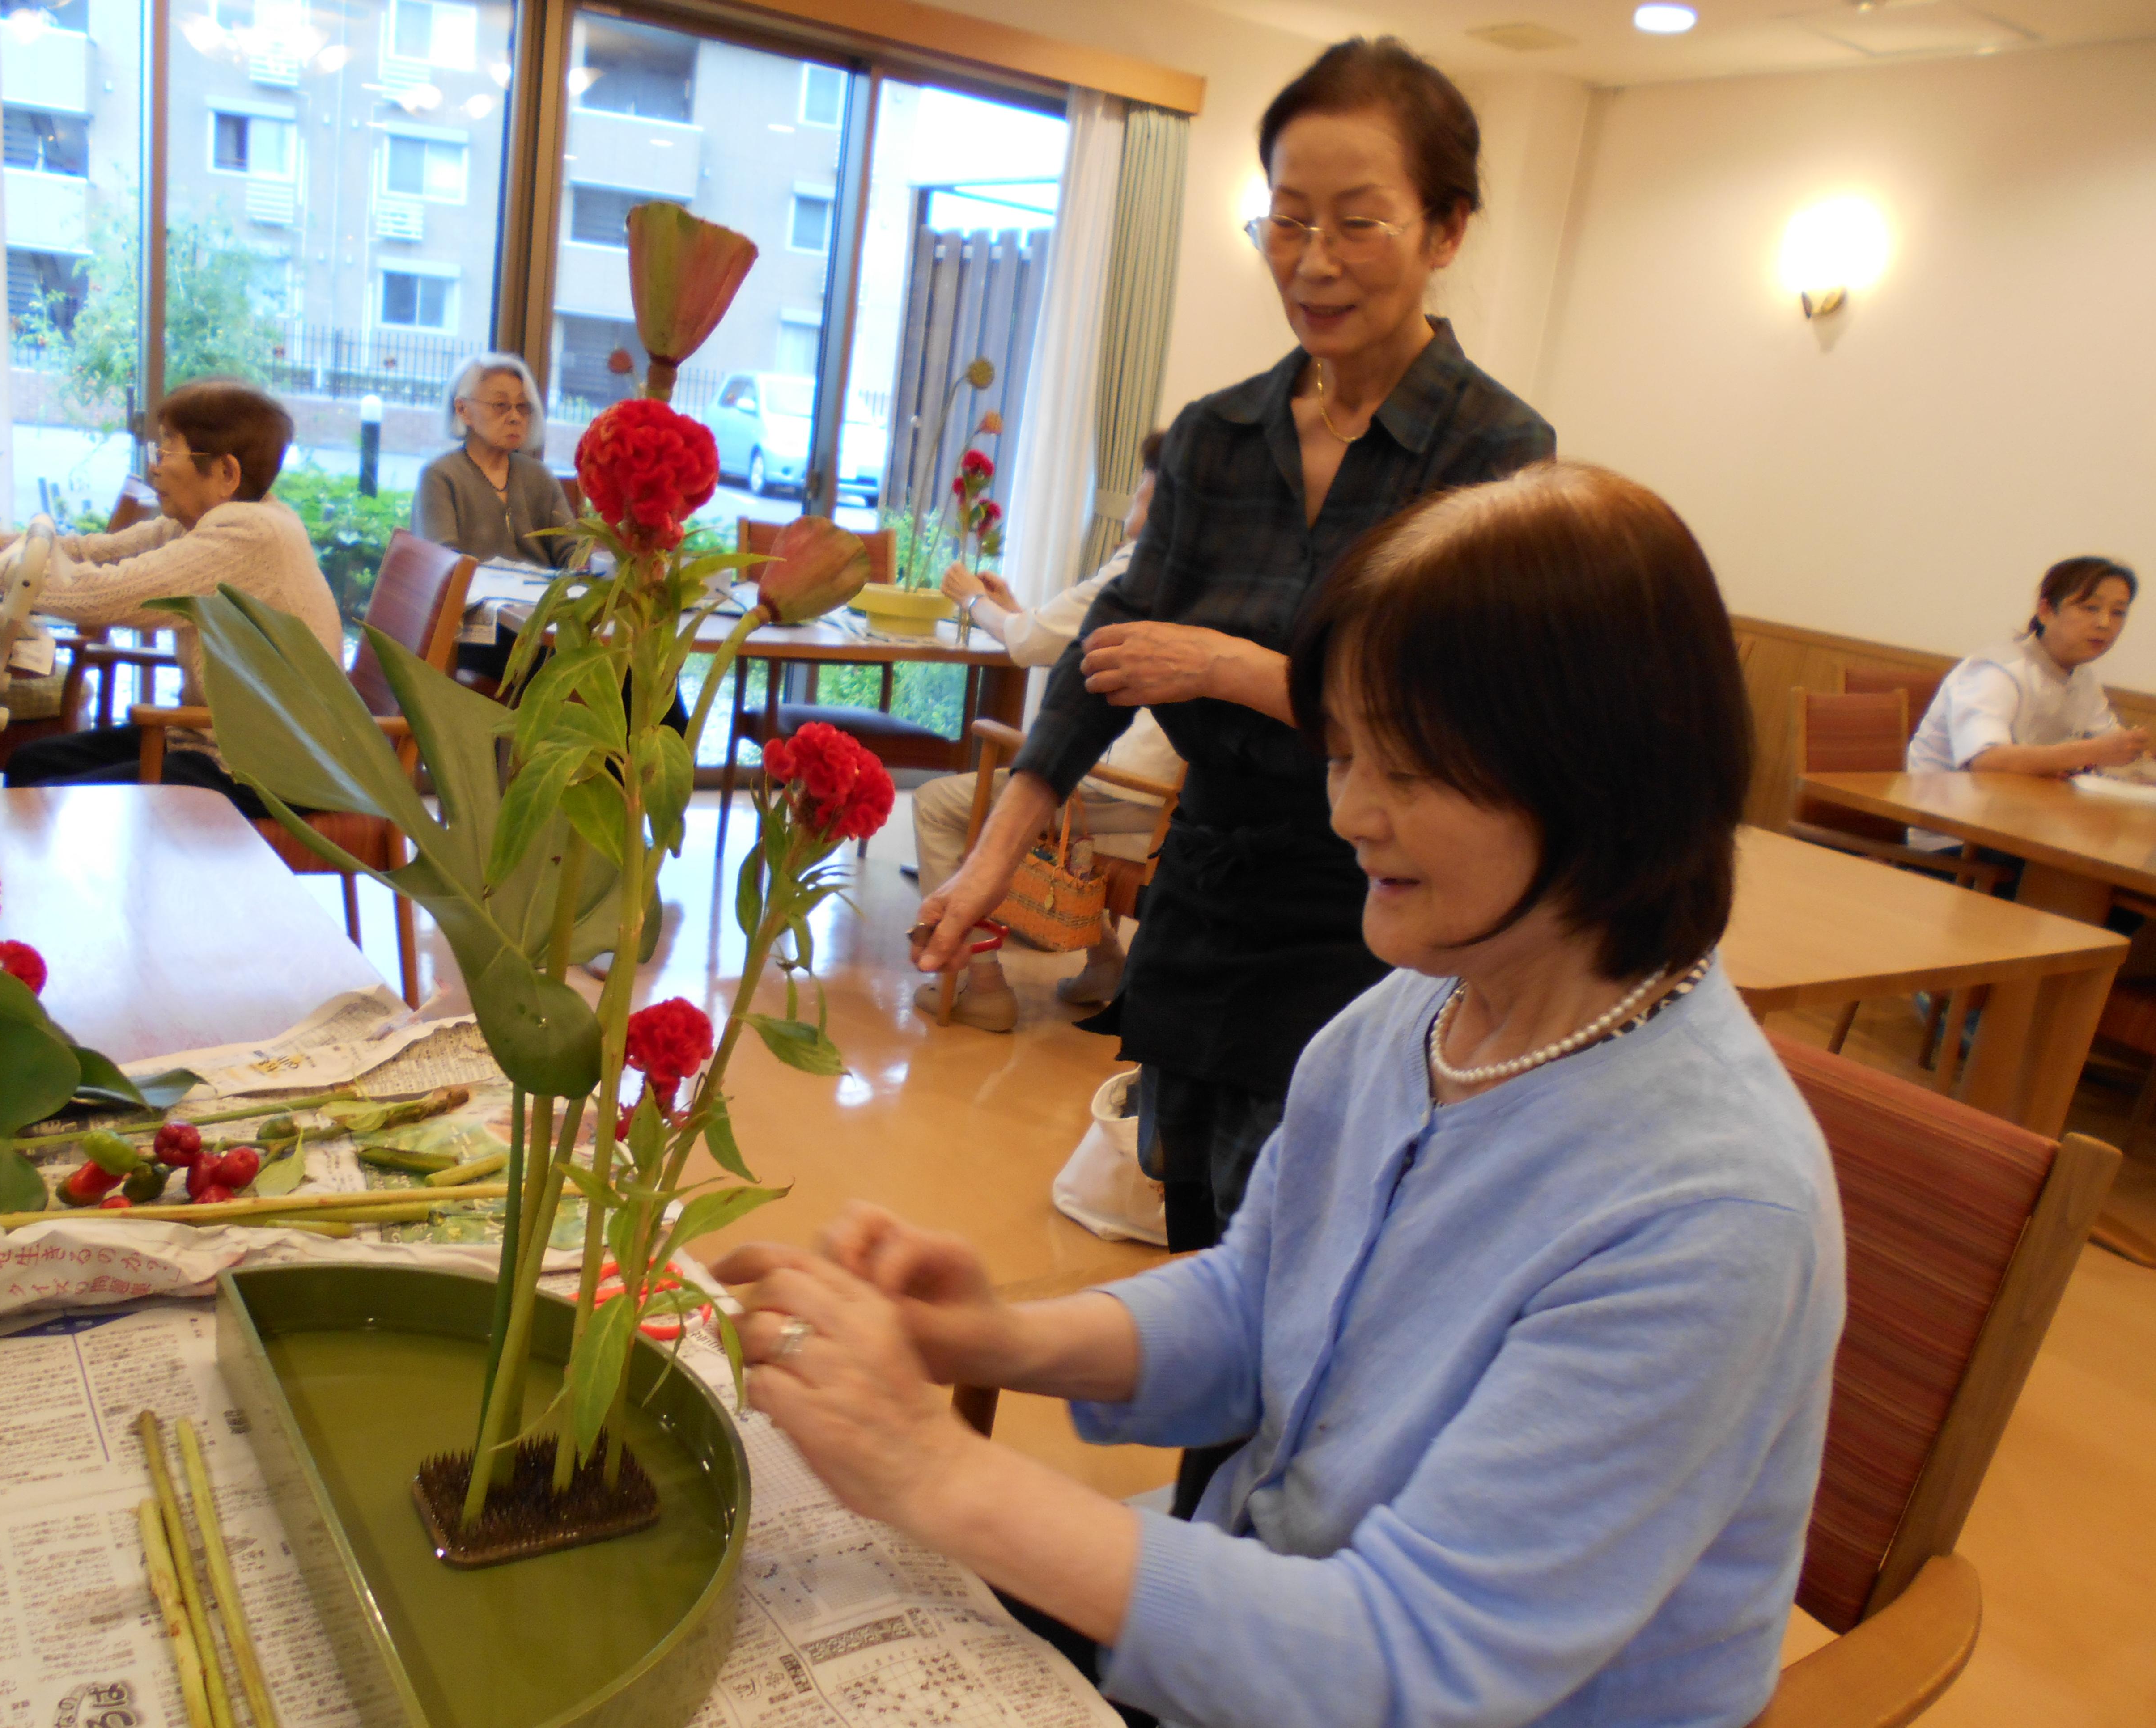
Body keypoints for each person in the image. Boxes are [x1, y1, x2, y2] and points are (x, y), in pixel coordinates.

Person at [716, 462, 1842, 1728]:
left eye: (1409, 772)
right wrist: (996, 1340)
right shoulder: (1418, 1011)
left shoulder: (1709, 1214)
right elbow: (1262, 1297)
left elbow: (1409, 1666)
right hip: (1285, 1604)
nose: (1349, 812)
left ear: (1605, 781)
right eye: (1344, 752)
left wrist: (931, 1473)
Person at [908, 37, 1554, 1259]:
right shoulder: (1217, 435)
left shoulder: (1496, 453)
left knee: (1326, 1264)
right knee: (1200, 1235)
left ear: (1446, 230)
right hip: (1209, 891)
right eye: (1288, 220)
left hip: (1379, 909)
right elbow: (1107, 649)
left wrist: (1223, 669)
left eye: (1357, 223)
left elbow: (1455, 715)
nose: (1313, 261)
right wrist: (992, 858)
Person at [0, 379, 340, 816]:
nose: (154, 466)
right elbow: (83, 553)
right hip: (207, 743)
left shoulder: (248, 534)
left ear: (225, 473)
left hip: (271, 771)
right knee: (32, 763)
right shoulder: (199, 523)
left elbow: (101, 594)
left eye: (167, 449)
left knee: (51, 794)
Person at [915, 431, 1186, 1032]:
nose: (1133, 501)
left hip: (1125, 787)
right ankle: (1106, 962)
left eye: (1141, 487)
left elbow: (1030, 644)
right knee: (1035, 807)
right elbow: (1061, 640)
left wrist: (971, 601)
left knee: (940, 805)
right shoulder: (1206, 573)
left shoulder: (1141, 566)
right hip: (1166, 795)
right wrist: (1015, 612)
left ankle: (980, 983)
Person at [1907, 555, 2144, 783]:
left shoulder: (2083, 678)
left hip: (2024, 803)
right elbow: (1986, 761)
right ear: (2046, 612)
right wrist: (2091, 752)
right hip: (1943, 804)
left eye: (2118, 613)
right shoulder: (1996, 670)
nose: (2105, 623)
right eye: (2090, 608)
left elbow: (2113, 749)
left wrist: (2129, 752)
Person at [411, 353, 575, 568]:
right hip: (470, 590)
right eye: (501, 405)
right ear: (463, 410)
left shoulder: (540, 476)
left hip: (543, 590)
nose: (515, 417)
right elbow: (442, 564)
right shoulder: (440, 476)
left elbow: (573, 551)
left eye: (522, 406)